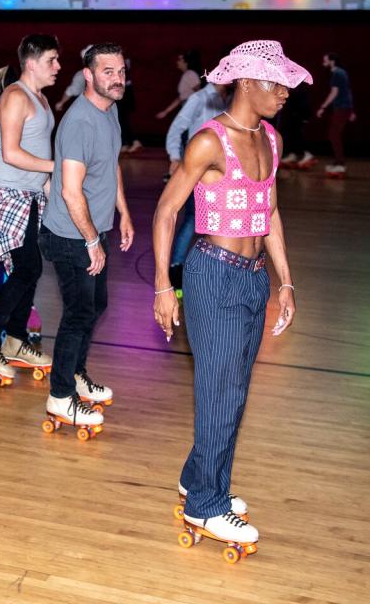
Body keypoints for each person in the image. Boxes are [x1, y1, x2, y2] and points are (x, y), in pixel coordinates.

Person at [153, 40, 308, 550]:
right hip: (213, 276)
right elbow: (166, 211)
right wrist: (162, 286)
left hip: (252, 276)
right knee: (221, 392)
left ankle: (197, 479)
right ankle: (206, 506)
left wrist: (284, 281)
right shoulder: (208, 142)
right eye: (275, 82)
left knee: (234, 391)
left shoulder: (272, 139)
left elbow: (270, 212)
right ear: (245, 82)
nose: (285, 92)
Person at [39, 43, 133, 431]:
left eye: (121, 71)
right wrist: (92, 241)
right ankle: (60, 397)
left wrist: (123, 211)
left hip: (94, 229)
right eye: (108, 71)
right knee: (79, 313)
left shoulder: (110, 113)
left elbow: (111, 167)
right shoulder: (78, 122)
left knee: (95, 306)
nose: (118, 78)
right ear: (89, 76)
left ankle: (75, 373)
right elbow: (70, 191)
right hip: (70, 234)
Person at [0, 35, 60, 382]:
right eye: (52, 60)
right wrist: (56, 166)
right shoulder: (16, 97)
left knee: (30, 268)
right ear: (31, 62)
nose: (58, 67)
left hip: (31, 194)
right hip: (10, 194)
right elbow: (12, 152)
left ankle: (17, 340)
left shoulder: (42, 99)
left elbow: (35, 148)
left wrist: (49, 186)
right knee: (26, 269)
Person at [163, 81, 231, 290]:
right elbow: (176, 128)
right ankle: (175, 269)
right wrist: (175, 157)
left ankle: (210, 269)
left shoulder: (226, 100)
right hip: (197, 166)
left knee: (216, 218)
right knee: (193, 217)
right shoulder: (199, 98)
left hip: (219, 167)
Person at [316, 52, 356, 176]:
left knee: (333, 135)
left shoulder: (337, 73)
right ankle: (339, 162)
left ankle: (340, 164)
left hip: (341, 108)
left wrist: (322, 107)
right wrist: (351, 110)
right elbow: (347, 91)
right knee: (334, 135)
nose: (323, 61)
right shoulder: (341, 72)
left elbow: (334, 93)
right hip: (344, 108)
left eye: (325, 59)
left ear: (332, 61)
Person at [156, 49, 203, 120]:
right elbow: (180, 98)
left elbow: (199, 93)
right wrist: (165, 112)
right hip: (188, 109)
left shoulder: (190, 74)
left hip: (192, 111)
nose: (177, 62)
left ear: (186, 63)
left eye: (180, 60)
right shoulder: (187, 75)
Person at [54, 45, 90, 112]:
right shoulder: (81, 75)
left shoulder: (81, 75)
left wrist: (61, 103)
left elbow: (71, 91)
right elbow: (71, 90)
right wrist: (61, 103)